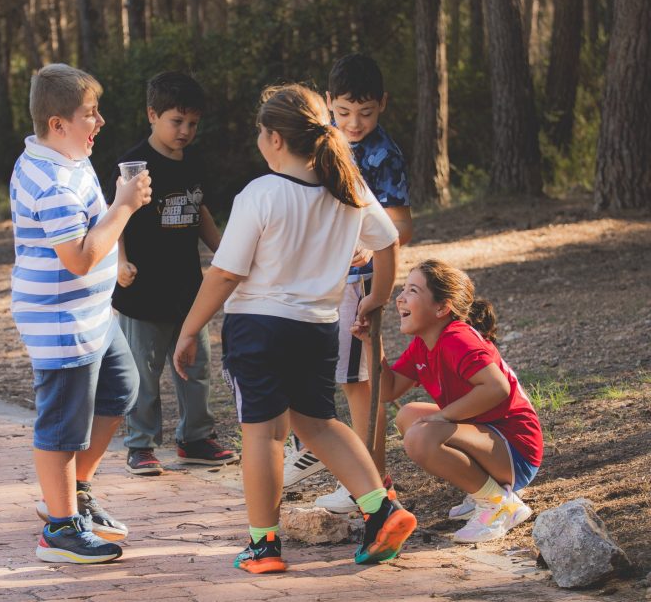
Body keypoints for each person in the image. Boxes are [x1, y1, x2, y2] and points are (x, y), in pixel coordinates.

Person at [172, 84, 416, 572]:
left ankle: (264, 546)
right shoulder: (347, 188)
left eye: (260, 134)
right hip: (318, 328)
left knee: (263, 436)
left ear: (275, 139)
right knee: (319, 422)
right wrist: (378, 297)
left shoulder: (261, 194)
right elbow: (388, 243)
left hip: (259, 328)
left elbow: (225, 272)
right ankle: (380, 509)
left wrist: (188, 329)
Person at [10, 63, 152, 563]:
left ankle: (76, 494)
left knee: (121, 390)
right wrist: (126, 207)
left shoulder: (71, 157)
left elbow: (96, 240)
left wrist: (119, 251)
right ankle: (60, 527)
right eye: (90, 114)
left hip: (93, 313)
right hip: (60, 321)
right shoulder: (51, 182)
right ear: (57, 124)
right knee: (62, 426)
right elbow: (79, 258)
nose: (101, 122)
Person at [283, 54, 414, 517]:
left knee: (363, 387)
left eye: (366, 113)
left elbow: (399, 226)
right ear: (327, 105)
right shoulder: (323, 143)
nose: (354, 124)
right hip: (321, 282)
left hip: (359, 287)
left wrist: (367, 248)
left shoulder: (383, 154)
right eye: (343, 113)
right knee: (333, 379)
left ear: (383, 104)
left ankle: (371, 485)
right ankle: (329, 458)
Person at [354, 259, 542, 543]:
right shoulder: (424, 343)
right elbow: (389, 390)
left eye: (413, 291)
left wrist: (444, 417)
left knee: (420, 436)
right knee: (407, 415)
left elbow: (496, 388)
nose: (400, 298)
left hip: (515, 449)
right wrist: (371, 341)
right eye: (403, 289)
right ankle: (485, 490)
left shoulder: (457, 338)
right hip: (489, 438)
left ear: (442, 308)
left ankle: (498, 504)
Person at [106, 71, 237, 476]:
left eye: (192, 123)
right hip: (141, 293)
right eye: (176, 121)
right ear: (152, 114)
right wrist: (118, 261)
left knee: (195, 368)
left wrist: (227, 251)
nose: (185, 131)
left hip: (188, 291)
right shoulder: (135, 166)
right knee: (144, 374)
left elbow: (199, 211)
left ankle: (195, 438)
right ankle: (140, 443)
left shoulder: (195, 162)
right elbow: (115, 216)